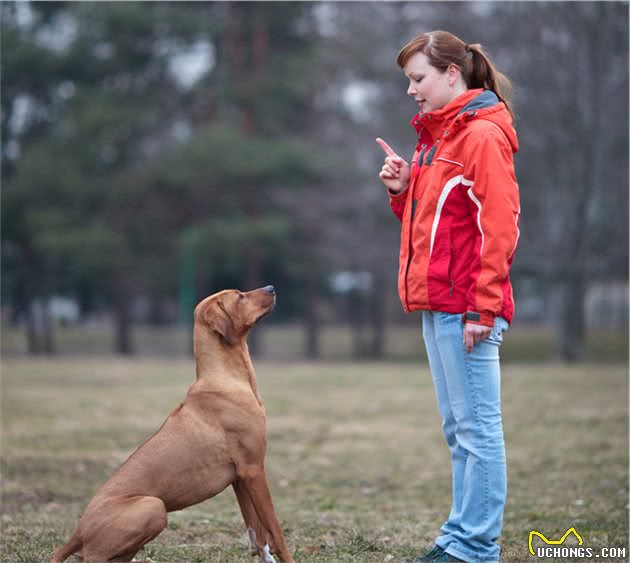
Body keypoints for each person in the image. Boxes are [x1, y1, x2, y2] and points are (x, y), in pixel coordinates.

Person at [376, 31, 520, 563]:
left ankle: (476, 547)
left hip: (468, 309)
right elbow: (435, 225)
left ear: (452, 74)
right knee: (459, 430)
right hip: (439, 306)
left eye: (418, 79)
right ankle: (459, 536)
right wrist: (402, 188)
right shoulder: (436, 138)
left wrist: (484, 307)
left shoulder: (481, 136)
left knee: (479, 431)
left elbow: (500, 227)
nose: (411, 91)